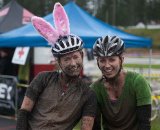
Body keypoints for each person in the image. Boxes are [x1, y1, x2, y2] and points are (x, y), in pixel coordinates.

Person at [16, 2, 97, 130]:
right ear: (58, 61)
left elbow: (86, 128)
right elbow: (24, 111)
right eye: (66, 59)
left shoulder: (88, 94)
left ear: (82, 55)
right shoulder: (43, 78)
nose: (73, 63)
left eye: (75, 57)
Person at [91, 35, 151, 130]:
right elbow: (95, 126)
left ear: (121, 60)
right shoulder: (95, 89)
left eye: (112, 59)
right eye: (102, 60)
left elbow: (144, 124)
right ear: (98, 62)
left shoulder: (138, 82)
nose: (107, 65)